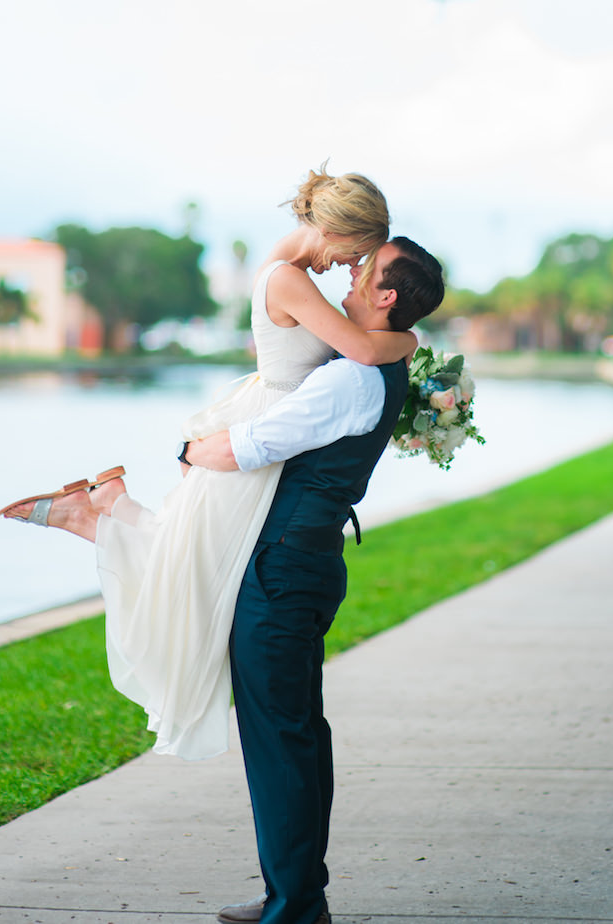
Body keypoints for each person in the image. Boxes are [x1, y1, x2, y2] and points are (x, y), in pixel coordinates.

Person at [0, 167, 417, 759]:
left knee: (195, 553)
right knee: (195, 567)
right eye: (356, 253)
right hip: (266, 433)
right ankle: (96, 515)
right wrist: (412, 343)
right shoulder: (289, 280)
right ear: (336, 230)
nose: (352, 267)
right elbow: (367, 348)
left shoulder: (288, 274)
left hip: (269, 427)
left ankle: (102, 510)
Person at [184, 236, 445, 924]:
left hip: (285, 566)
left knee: (281, 736)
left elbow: (255, 445)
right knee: (295, 730)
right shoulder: (372, 364)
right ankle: (294, 893)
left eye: (367, 269)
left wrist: (188, 449)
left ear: (386, 297)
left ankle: (296, 906)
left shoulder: (352, 375)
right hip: (304, 559)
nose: (353, 275)